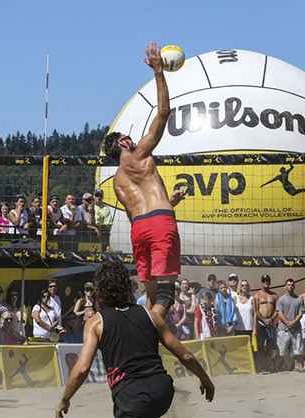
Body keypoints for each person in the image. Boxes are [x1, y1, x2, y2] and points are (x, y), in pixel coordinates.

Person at [54, 261, 214, 418]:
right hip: (163, 390)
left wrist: (64, 399)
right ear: (127, 287)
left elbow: (82, 369)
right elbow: (185, 355)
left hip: (130, 395)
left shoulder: (95, 322)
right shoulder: (151, 315)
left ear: (99, 292)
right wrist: (205, 379)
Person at [101, 41, 187, 317]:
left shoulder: (116, 182)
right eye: (127, 136)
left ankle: (143, 340)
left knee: (150, 298)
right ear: (124, 142)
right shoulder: (139, 153)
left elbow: (137, 211)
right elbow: (163, 114)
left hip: (139, 229)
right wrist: (158, 72)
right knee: (166, 296)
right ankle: (158, 342)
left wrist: (170, 199)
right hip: (161, 222)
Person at [275, 278, 305, 372]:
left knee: (297, 349)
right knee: (281, 350)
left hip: (296, 327)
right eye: (288, 285)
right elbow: (279, 313)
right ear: (285, 286)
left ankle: (298, 366)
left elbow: (301, 313)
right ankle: (282, 365)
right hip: (284, 328)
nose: (290, 286)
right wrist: (287, 322)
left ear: (294, 286)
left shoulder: (299, 299)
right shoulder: (281, 299)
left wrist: (293, 322)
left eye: (292, 285)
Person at [253, 274, 278, 373]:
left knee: (271, 345)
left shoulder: (274, 296)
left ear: (270, 282)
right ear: (261, 282)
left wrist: (271, 319)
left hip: (270, 323)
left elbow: (277, 310)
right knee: (259, 345)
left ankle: (268, 365)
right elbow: (256, 311)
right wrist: (263, 320)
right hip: (261, 323)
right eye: (264, 281)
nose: (266, 282)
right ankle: (260, 366)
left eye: (267, 280)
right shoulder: (256, 295)